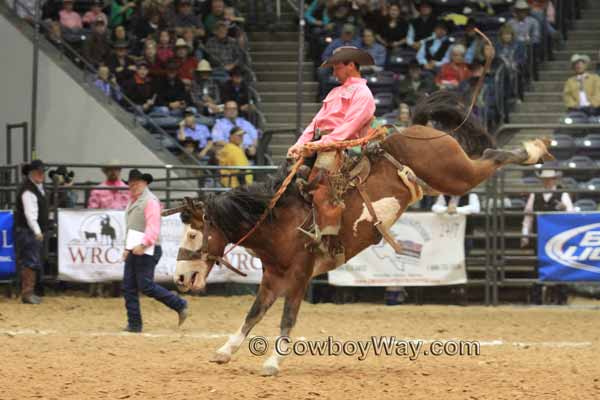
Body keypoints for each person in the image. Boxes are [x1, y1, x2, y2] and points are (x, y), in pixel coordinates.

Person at [287, 47, 376, 262]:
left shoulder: (363, 94)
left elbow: (347, 128)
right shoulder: (334, 92)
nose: (334, 71)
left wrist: (317, 146)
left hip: (341, 146)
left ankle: (326, 239)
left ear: (351, 66)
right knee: (286, 178)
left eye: (337, 66)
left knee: (321, 183)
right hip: (321, 143)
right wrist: (299, 144)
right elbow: (315, 123)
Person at [122, 169, 189, 333]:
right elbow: (132, 227)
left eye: (136, 183)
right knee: (129, 286)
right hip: (135, 248)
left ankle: (179, 304)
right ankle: (134, 324)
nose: (133, 186)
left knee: (145, 285)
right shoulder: (134, 201)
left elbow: (153, 227)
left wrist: (144, 245)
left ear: (144, 183)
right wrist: (127, 248)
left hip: (148, 249)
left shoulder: (150, 201)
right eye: (131, 183)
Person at [14, 160, 48, 305]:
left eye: (42, 172)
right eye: (38, 172)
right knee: (30, 259)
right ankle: (27, 293)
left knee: (32, 259)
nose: (41, 174)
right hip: (28, 230)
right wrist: (37, 231)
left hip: (28, 230)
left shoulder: (35, 187)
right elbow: (30, 214)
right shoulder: (29, 190)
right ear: (31, 173)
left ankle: (29, 292)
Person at [521, 169, 574, 248]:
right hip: (539, 236)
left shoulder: (563, 194)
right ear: (542, 180)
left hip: (557, 236)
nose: (548, 181)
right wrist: (525, 235)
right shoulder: (534, 195)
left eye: (550, 179)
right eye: (545, 179)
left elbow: (571, 215)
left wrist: (564, 209)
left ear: (555, 180)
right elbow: (528, 217)